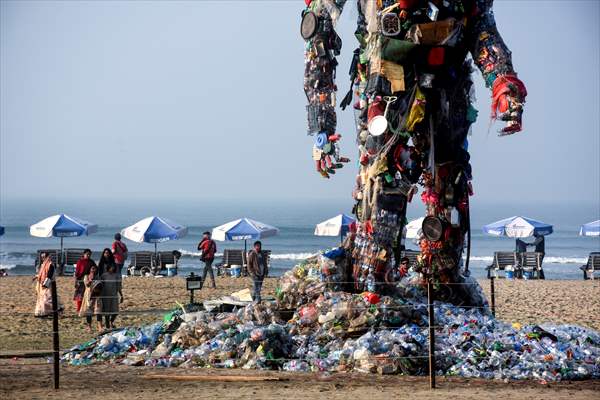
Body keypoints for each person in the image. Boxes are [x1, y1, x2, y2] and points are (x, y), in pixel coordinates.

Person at [33, 252, 62, 317]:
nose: (43, 258)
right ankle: (43, 312)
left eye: (44, 257)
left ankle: (55, 310)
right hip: (42, 284)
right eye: (42, 257)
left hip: (49, 284)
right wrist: (36, 276)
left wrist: (45, 284)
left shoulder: (50, 264)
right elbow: (41, 273)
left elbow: (49, 275)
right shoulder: (43, 264)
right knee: (42, 299)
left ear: (47, 257)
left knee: (47, 299)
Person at [79, 264, 103, 332]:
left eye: (95, 268)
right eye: (92, 268)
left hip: (97, 295)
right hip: (88, 295)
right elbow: (87, 284)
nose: (93, 270)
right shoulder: (86, 276)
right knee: (89, 311)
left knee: (98, 311)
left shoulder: (98, 277)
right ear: (89, 269)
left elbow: (101, 285)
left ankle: (100, 327)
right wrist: (91, 279)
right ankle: (89, 327)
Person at [100, 263, 123, 329]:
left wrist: (121, 295)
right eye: (111, 267)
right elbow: (100, 286)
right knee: (107, 311)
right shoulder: (103, 276)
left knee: (115, 311)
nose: (112, 268)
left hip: (114, 295)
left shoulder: (116, 276)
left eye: (113, 267)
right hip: (105, 295)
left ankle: (111, 321)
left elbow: (119, 286)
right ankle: (107, 325)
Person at [74, 249, 96, 313]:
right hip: (80, 279)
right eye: (87, 254)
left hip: (89, 280)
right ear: (84, 254)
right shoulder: (80, 261)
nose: (88, 255)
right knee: (80, 295)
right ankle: (79, 309)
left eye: (89, 254)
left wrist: (92, 272)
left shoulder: (91, 262)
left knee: (88, 294)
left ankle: (86, 308)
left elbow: (95, 269)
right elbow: (77, 271)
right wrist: (76, 280)